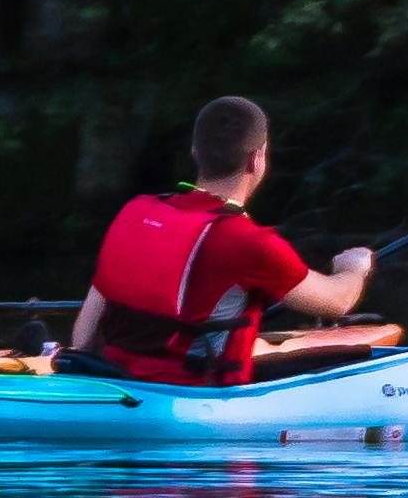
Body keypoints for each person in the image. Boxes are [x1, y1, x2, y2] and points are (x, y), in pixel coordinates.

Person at [69, 95, 378, 384]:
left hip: (115, 381)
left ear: (195, 150)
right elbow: (337, 301)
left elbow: (82, 338)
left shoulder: (137, 212)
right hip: (194, 397)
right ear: (256, 159)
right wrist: (353, 268)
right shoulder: (249, 242)